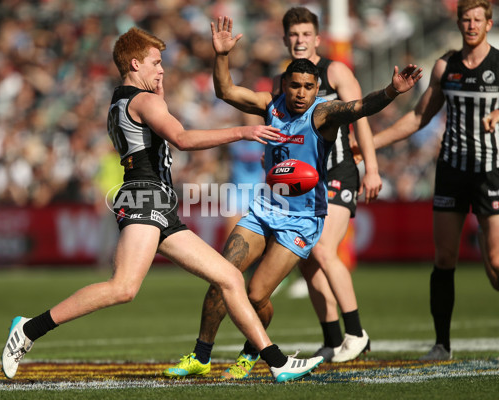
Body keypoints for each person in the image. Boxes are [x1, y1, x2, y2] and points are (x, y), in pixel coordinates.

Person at [0, 26, 326, 383]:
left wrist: (160, 93)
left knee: (230, 277)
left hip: (155, 202)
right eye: (156, 63)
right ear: (135, 63)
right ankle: (30, 329)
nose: (162, 69)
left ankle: (277, 362)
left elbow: (152, 133)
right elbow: (182, 139)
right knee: (123, 287)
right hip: (146, 199)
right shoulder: (145, 101)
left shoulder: (123, 98)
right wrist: (242, 131)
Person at [163, 16, 421, 379]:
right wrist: (221, 56)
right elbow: (225, 91)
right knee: (223, 276)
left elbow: (361, 107)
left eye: (308, 87)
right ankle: (201, 354)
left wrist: (392, 91)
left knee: (255, 296)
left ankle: (250, 354)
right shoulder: (270, 104)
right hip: (264, 209)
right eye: (295, 85)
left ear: (318, 89)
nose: (301, 93)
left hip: (301, 220)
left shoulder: (323, 114)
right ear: (284, 84)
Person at [364, 0, 499, 360]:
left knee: (496, 262)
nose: (471, 25)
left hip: (491, 172)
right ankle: (441, 344)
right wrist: (370, 144)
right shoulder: (445, 65)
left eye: (477, 20)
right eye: (465, 19)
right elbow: (419, 117)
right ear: (458, 23)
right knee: (444, 258)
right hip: (452, 171)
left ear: (489, 23)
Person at [274, 6, 382, 363]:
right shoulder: (286, 78)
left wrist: (372, 167)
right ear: (286, 38)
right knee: (307, 260)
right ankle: (333, 339)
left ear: (317, 39)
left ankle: (357, 333)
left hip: (339, 172)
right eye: (294, 34)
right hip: (305, 181)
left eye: (306, 34)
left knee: (322, 250)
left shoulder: (335, 71)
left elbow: (361, 116)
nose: (300, 40)